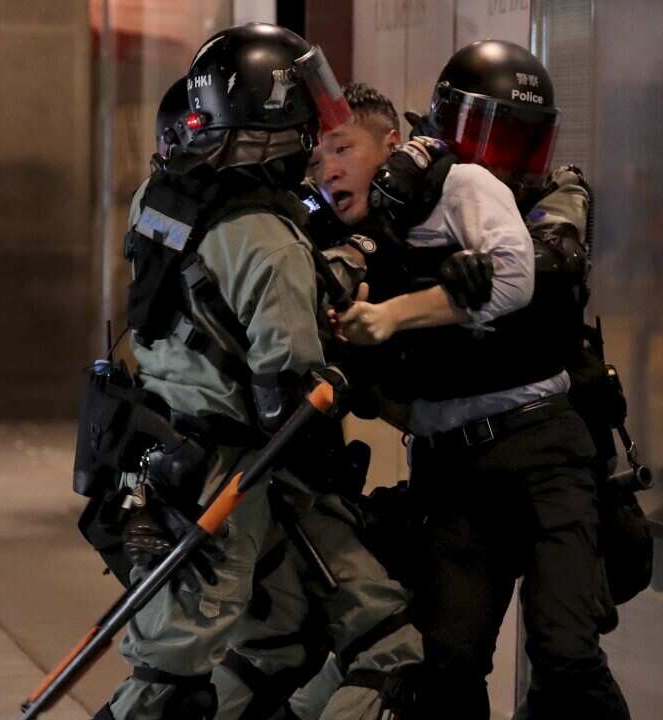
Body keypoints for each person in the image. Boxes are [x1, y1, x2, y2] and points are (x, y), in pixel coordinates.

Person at [91, 23, 422, 720]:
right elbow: (291, 395)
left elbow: (212, 296)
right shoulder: (270, 243)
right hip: (234, 477)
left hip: (164, 451)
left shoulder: (163, 196)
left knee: (295, 641)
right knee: (171, 682)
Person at [314, 44, 630, 719]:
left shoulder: (550, 197)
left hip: (545, 448)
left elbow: (541, 260)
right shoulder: (387, 215)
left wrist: (456, 281)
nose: (503, 156)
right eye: (489, 135)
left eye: (521, 138)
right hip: (452, 464)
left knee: (566, 652)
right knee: (447, 660)